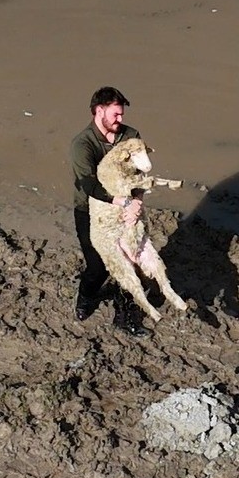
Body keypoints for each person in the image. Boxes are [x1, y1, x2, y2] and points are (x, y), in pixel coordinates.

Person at [69, 86, 147, 337]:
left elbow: (140, 174)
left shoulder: (131, 136)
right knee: (98, 267)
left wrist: (137, 202)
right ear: (98, 111)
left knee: (129, 262)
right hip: (90, 211)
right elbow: (88, 185)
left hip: (125, 209)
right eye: (115, 114)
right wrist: (124, 202)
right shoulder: (82, 144)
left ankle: (126, 315)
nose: (120, 119)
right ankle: (86, 295)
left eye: (122, 114)